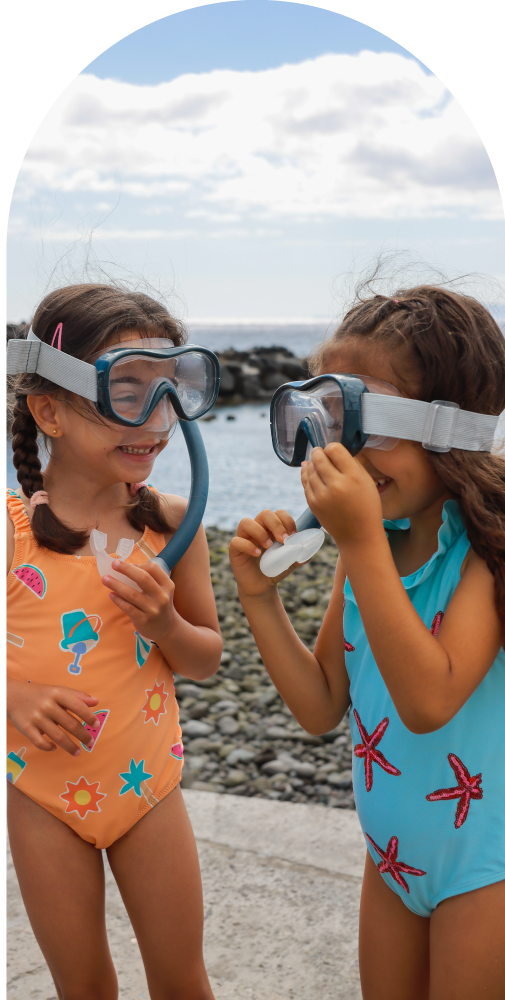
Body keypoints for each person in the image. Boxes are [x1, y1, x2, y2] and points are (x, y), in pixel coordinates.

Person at [229, 286, 505, 1000]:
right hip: (389, 860)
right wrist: (259, 601)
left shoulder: (484, 554)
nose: (342, 454)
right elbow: (324, 705)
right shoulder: (370, 547)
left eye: (363, 425)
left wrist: (357, 542)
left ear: (447, 428)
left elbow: (428, 700)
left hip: (483, 866)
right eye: (323, 425)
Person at [6, 284, 223, 1000]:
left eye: (171, 392)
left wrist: (164, 626)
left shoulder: (170, 523)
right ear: (49, 410)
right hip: (42, 798)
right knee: (84, 987)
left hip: (148, 793)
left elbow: (203, 659)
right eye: (127, 391)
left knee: (182, 979)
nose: (155, 420)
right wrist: (15, 692)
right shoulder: (13, 533)